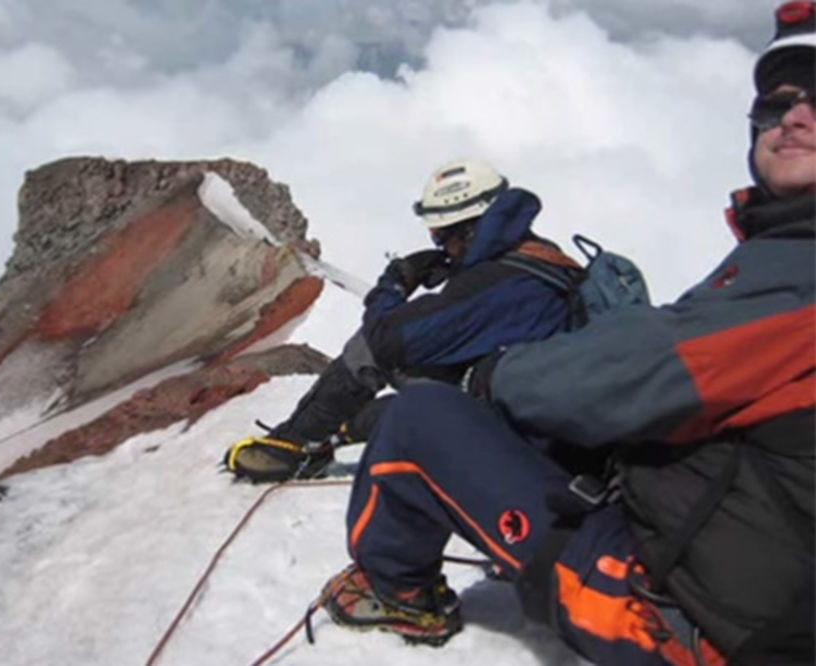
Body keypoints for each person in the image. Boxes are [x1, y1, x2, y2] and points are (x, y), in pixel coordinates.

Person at [320, 3, 815, 665]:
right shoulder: (774, 257)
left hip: (698, 628)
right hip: (746, 575)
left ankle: (399, 593)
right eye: (775, 104)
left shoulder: (798, 277)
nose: (793, 117)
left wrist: (481, 374)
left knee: (417, 418)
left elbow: (388, 343)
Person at [223, 158, 585, 482]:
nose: (438, 242)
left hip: (520, 438)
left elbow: (387, 338)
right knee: (391, 407)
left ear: (469, 227)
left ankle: (295, 447)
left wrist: (396, 282)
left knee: (370, 350)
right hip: (548, 417)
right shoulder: (541, 258)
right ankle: (338, 432)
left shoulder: (492, 282)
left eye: (440, 232)